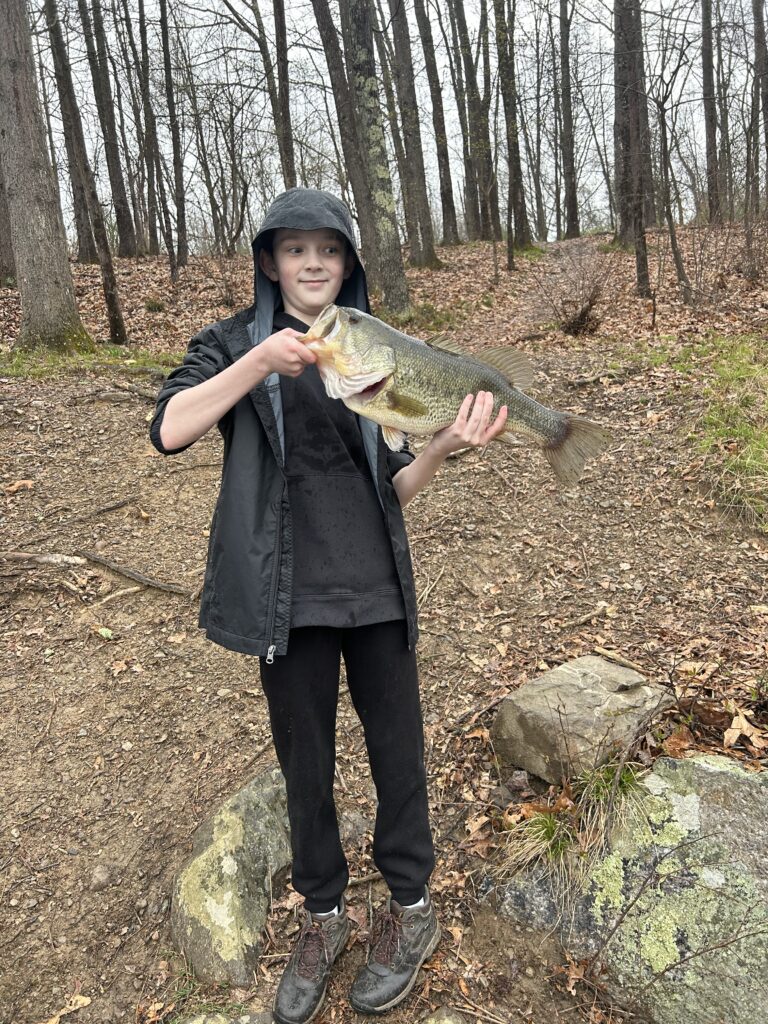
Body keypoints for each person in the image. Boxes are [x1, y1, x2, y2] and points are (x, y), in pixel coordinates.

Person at [150, 188, 507, 1024]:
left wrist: (445, 448)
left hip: (376, 590)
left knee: (398, 757)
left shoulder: (371, 349)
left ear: (348, 265)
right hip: (287, 601)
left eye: (330, 251)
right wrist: (256, 366)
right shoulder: (235, 345)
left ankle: (410, 912)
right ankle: (322, 917)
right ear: (270, 262)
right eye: (296, 250)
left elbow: (397, 487)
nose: (314, 264)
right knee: (305, 769)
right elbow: (168, 428)